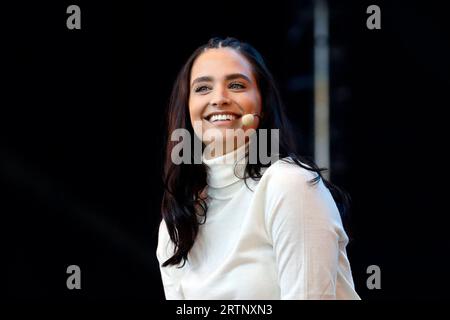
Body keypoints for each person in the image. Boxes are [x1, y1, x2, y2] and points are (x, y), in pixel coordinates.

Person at [156, 37, 360, 300]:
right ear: (187, 108)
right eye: (203, 88)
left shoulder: (288, 185)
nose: (219, 98)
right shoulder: (175, 226)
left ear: (262, 104)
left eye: (237, 85)